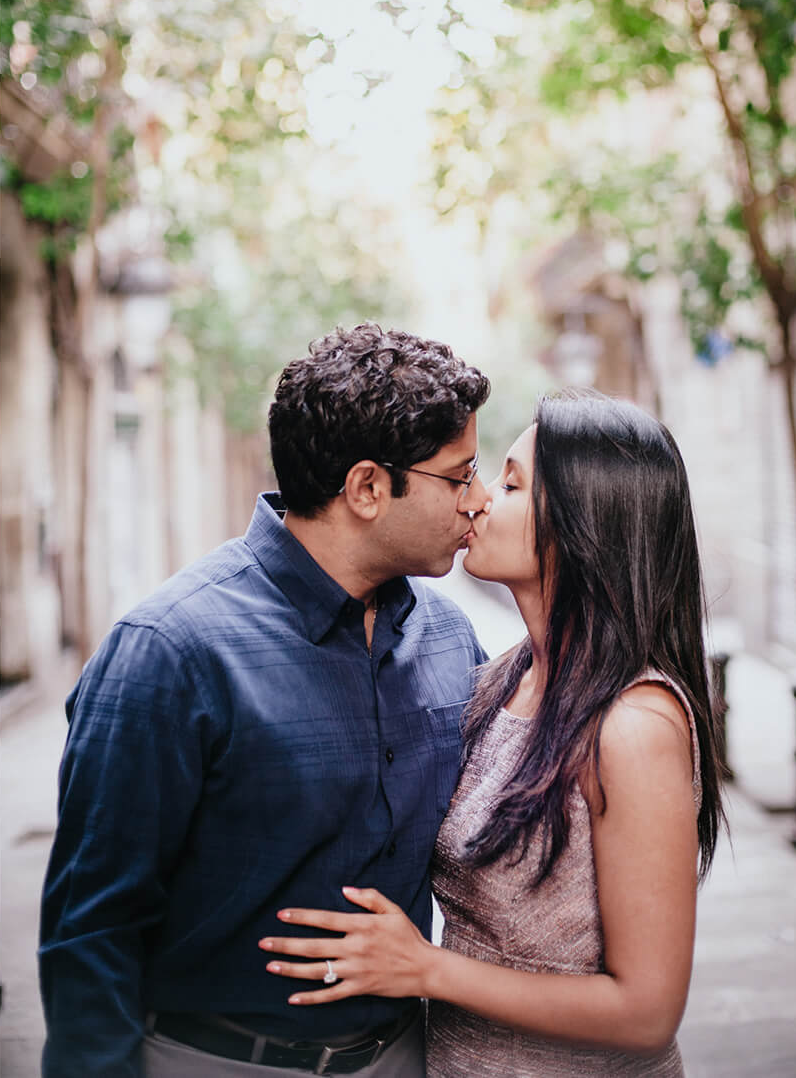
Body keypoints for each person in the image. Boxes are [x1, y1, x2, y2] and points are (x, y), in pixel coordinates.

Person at [40, 323, 493, 1077]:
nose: (477, 502)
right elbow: (93, 928)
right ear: (368, 488)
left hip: (408, 1056)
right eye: (460, 476)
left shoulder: (451, 637)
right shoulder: (170, 649)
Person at [258, 392, 725, 1077]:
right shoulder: (496, 678)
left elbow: (647, 1012)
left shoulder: (632, 725)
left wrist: (424, 969)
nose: (475, 501)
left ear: (582, 525)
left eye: (509, 484)